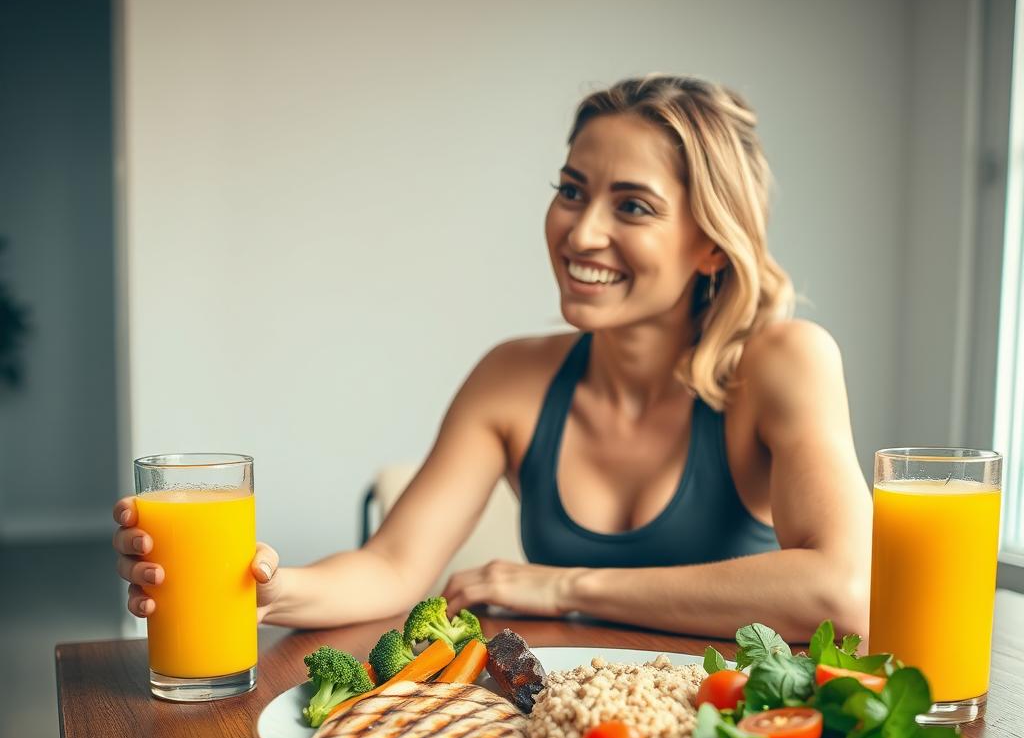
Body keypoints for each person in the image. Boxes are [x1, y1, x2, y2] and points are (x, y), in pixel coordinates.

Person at [112, 75, 872, 641]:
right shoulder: (512, 378)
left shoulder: (785, 361)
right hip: (568, 730)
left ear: (710, 243)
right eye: (572, 191)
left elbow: (843, 593)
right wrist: (256, 586)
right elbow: (392, 569)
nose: (581, 234)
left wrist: (561, 584)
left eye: (632, 206)